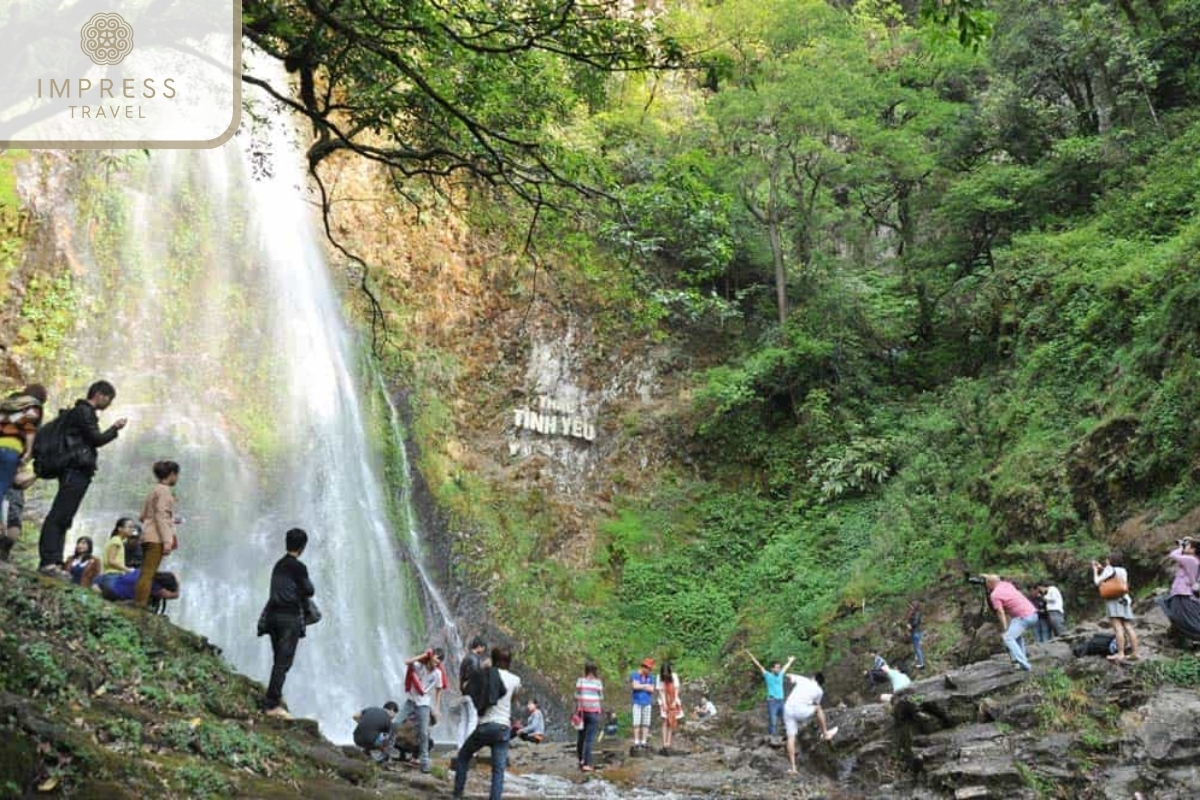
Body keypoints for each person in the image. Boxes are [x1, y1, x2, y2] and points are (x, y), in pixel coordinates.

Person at [37, 380, 127, 577]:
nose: (108, 404)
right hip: (75, 469)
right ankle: (48, 562)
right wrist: (115, 428)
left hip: (76, 469)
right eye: (109, 399)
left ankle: (55, 561)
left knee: (64, 517)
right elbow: (96, 439)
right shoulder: (84, 411)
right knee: (59, 515)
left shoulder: (81, 412)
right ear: (100, 395)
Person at [453, 646, 520, 800]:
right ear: (509, 661)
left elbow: (467, 688)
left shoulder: (486, 675)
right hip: (503, 727)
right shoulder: (516, 680)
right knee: (498, 770)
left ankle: (457, 794)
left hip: (485, 725)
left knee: (463, 756)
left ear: (493, 659)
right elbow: (513, 700)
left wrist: (482, 669)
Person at [260, 527, 314, 718]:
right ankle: (271, 705)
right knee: (284, 661)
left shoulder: (278, 565)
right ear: (302, 547)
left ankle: (274, 696)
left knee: (279, 660)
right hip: (288, 618)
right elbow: (309, 590)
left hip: (272, 617)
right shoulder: (298, 567)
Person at [0, 383, 46, 562]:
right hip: (11, 451)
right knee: (2, 489)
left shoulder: (8, 406)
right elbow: (30, 431)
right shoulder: (33, 408)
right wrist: (28, 453)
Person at [135, 460, 180, 608]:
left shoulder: (154, 490)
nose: (177, 478)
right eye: (176, 475)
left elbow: (142, 516)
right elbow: (161, 515)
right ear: (171, 474)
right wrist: (167, 540)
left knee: (145, 573)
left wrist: (170, 520)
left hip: (147, 535)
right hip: (157, 538)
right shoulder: (165, 491)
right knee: (149, 574)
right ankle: (140, 605)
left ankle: (138, 602)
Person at [782, 671, 837, 774]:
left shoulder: (803, 680)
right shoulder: (819, 691)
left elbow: (787, 676)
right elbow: (815, 703)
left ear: (813, 677)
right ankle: (825, 733)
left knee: (791, 737)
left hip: (788, 708)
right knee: (818, 709)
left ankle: (793, 768)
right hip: (800, 711)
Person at [403, 647, 445, 773]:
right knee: (396, 724)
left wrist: (437, 708)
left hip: (424, 703)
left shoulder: (438, 673)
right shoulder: (419, 666)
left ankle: (424, 761)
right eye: (436, 658)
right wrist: (423, 655)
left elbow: (439, 690)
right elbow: (407, 662)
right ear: (431, 656)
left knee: (424, 732)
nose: (437, 662)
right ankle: (387, 753)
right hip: (411, 701)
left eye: (440, 660)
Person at [984, 574, 1038, 671]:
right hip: (1033, 614)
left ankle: (1024, 664)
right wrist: (986, 576)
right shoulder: (1007, 584)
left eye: (986, 583)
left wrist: (1004, 628)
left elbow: (1000, 612)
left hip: (1023, 617)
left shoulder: (994, 595)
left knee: (1007, 637)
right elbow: (995, 579)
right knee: (1016, 636)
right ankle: (1023, 661)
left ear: (989, 584)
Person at [1092, 554, 1139, 662]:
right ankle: (1135, 653)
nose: (1106, 561)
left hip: (1113, 600)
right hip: (1124, 599)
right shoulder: (1123, 570)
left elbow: (1097, 582)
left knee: (1117, 627)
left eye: (1107, 560)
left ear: (1110, 561)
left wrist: (1095, 570)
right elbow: (1114, 576)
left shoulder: (1109, 569)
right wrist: (1102, 569)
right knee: (1128, 626)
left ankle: (1120, 653)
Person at [1160, 538, 1200, 643]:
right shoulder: (1193, 560)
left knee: (1187, 619)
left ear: (1193, 549)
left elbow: (1173, 555)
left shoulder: (1191, 560)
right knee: (1179, 616)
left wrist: (1180, 546)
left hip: (1184, 593)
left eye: (1188, 545)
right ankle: (1178, 639)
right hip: (1182, 592)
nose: (1185, 547)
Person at [747, 651, 794, 737]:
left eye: (779, 668)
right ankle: (771, 738)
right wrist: (751, 656)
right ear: (772, 669)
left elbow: (786, 667)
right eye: (776, 668)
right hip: (772, 701)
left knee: (785, 719)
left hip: (781, 701)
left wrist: (790, 661)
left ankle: (786, 736)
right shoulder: (768, 675)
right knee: (773, 721)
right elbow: (759, 666)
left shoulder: (781, 674)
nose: (779, 669)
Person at [457, 635, 488, 750]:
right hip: (472, 694)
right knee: (472, 721)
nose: (483, 651)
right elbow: (475, 675)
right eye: (483, 648)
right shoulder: (474, 658)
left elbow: (463, 677)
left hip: (465, 694)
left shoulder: (466, 658)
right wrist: (483, 667)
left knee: (463, 721)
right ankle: (469, 748)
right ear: (479, 646)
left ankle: (460, 746)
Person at [574, 661, 603, 770]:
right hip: (594, 712)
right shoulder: (598, 683)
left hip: (581, 712)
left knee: (581, 737)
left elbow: (576, 695)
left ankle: (580, 760)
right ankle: (587, 764)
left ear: (585, 670)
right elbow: (601, 696)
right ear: (595, 671)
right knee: (589, 739)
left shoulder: (580, 681)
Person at [95, 568, 180, 604]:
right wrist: (178, 584)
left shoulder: (145, 570)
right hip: (112, 590)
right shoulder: (155, 586)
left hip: (109, 578)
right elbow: (175, 595)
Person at [629, 657, 656, 753]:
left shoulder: (652, 677)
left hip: (647, 702)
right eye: (649, 668)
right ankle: (636, 741)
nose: (650, 671)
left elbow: (652, 689)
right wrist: (645, 686)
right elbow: (634, 686)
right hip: (637, 702)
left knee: (646, 723)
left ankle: (644, 741)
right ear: (644, 667)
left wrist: (641, 686)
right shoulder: (635, 674)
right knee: (636, 722)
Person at [656, 660, 683, 754]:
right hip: (664, 700)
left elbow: (677, 689)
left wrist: (674, 702)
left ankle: (669, 742)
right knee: (664, 720)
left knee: (671, 720)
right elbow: (661, 692)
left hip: (673, 699)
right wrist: (664, 703)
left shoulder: (674, 676)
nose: (666, 675)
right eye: (664, 673)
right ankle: (664, 743)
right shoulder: (659, 678)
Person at [906, 600, 926, 669]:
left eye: (911, 606)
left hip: (916, 632)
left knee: (917, 648)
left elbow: (915, 622)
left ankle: (921, 663)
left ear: (914, 606)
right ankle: (918, 661)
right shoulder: (913, 613)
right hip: (914, 632)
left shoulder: (916, 613)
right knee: (916, 647)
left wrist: (910, 625)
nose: (909, 607)